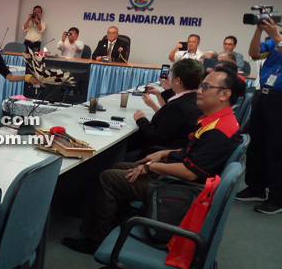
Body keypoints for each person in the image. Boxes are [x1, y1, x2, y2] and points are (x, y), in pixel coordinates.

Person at [62, 68, 245, 254]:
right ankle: (114, 224)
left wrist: (151, 168)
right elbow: (195, 152)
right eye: (200, 85)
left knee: (110, 178)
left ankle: (95, 239)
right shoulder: (220, 120)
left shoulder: (218, 131)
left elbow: (191, 172)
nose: (199, 91)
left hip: (182, 188)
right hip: (182, 177)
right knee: (120, 167)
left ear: (225, 94)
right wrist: (164, 153)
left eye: (205, 87)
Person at [235, 18, 282, 214]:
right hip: (264, 94)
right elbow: (254, 53)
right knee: (257, 143)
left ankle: (278, 197)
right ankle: (256, 187)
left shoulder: (277, 38)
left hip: (280, 99)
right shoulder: (274, 40)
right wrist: (258, 32)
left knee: (276, 147)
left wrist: (276, 37)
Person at [131, 59, 203, 160]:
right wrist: (169, 90)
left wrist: (141, 120)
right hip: (180, 150)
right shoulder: (196, 99)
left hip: (163, 155)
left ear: (178, 80)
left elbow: (158, 138)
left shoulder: (178, 106)